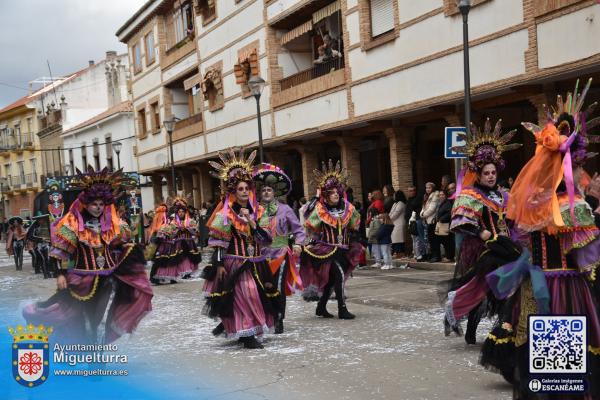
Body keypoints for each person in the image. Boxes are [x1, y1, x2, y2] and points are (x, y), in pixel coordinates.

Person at [482, 79, 600, 396]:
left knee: (538, 367)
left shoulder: (527, 205)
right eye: (578, 165)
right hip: (564, 290)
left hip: (531, 288)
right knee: (561, 371)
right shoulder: (571, 208)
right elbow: (589, 263)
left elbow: (520, 240)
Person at [23, 166, 153, 344]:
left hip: (106, 278)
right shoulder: (73, 224)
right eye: (94, 204)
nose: (98, 208)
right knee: (77, 316)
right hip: (80, 280)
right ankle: (84, 347)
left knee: (95, 318)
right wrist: (60, 274)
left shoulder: (113, 224)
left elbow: (117, 244)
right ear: (85, 203)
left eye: (101, 204)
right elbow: (60, 252)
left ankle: (95, 353)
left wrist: (129, 249)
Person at [443, 119, 521, 344]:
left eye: (493, 172)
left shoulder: (505, 195)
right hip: (484, 249)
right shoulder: (471, 195)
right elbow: (460, 221)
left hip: (507, 246)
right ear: (478, 174)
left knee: (511, 288)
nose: (490, 176)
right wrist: (480, 233)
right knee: (481, 292)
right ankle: (472, 328)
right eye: (486, 172)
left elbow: (515, 220)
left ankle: (504, 331)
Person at [202, 148, 278, 349]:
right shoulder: (225, 215)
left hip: (257, 262)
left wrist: (252, 224)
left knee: (257, 295)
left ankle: (250, 330)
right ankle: (246, 335)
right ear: (234, 192)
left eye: (247, 188)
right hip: (235, 261)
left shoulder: (259, 212)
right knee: (247, 293)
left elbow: (267, 239)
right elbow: (219, 242)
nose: (244, 192)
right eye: (240, 189)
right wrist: (218, 265)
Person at [300, 160, 362, 319]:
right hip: (326, 250)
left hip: (344, 250)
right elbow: (310, 225)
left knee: (331, 280)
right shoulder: (320, 210)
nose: (335, 195)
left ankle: (321, 307)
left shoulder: (348, 208)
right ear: (325, 195)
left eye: (337, 192)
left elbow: (355, 225)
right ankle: (342, 309)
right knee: (339, 275)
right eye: (331, 193)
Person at [253, 163, 306, 334]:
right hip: (260, 256)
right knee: (263, 287)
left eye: (270, 190)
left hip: (281, 254)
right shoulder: (255, 212)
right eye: (263, 190)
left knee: (278, 287)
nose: (266, 193)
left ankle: (279, 318)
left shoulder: (285, 209)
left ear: (275, 192)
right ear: (259, 193)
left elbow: (299, 229)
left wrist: (298, 243)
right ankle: (267, 316)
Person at [149, 197, 201, 284]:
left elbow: (196, 233)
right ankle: (164, 276)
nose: (181, 213)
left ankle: (181, 275)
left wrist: (188, 229)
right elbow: (169, 233)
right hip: (172, 245)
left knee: (184, 260)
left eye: (182, 212)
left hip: (186, 244)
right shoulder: (172, 222)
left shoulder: (190, 221)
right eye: (179, 212)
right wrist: (176, 230)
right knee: (171, 261)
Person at [431, 189, 454, 263]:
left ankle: (449, 257)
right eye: (439, 195)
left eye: (442, 195)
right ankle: (447, 256)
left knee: (447, 241)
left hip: (445, 224)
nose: (441, 196)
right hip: (440, 224)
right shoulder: (441, 203)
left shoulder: (447, 203)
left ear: (446, 195)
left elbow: (449, 213)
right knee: (443, 241)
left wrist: (441, 219)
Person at [420, 182, 440, 260]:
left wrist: (423, 215)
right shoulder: (426, 196)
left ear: (433, 188)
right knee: (429, 240)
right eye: (426, 188)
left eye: (429, 188)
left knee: (434, 240)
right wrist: (422, 213)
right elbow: (423, 207)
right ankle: (431, 255)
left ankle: (436, 256)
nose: (427, 189)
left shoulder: (435, 195)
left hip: (432, 220)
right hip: (426, 220)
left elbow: (432, 209)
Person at [405, 185, 424, 260]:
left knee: (417, 239)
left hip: (416, 221)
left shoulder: (417, 199)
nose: (412, 192)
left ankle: (418, 254)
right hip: (410, 221)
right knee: (414, 239)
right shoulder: (409, 200)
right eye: (410, 191)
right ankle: (416, 254)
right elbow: (407, 211)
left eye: (413, 190)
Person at [389, 190, 407, 258]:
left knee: (399, 239)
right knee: (395, 239)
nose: (393, 196)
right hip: (394, 223)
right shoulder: (395, 203)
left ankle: (400, 253)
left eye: (394, 195)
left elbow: (396, 213)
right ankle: (396, 252)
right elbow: (391, 212)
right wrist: (388, 217)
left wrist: (389, 218)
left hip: (399, 223)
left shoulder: (401, 203)